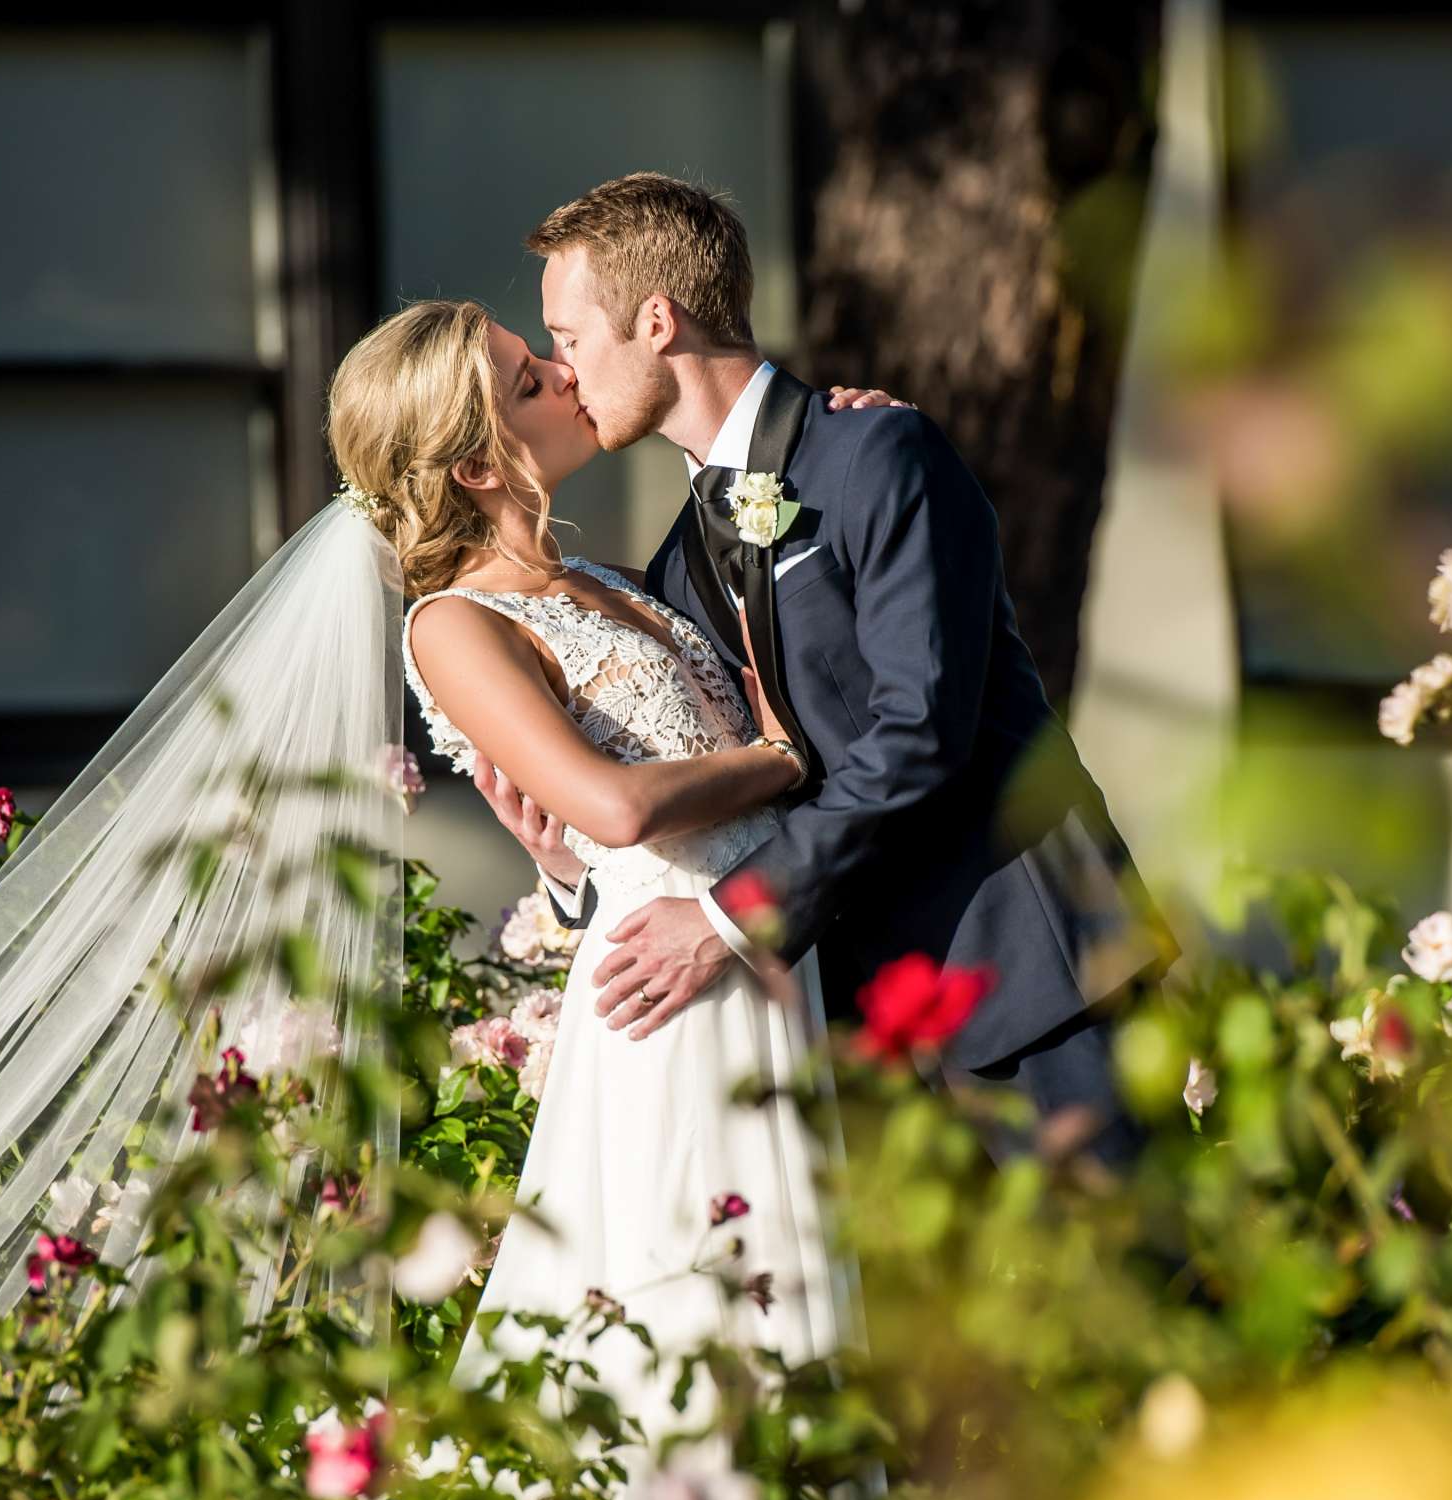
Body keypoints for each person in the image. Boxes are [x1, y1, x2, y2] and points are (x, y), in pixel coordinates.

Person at [481, 173, 1177, 1160]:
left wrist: (728, 922)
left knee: (1146, 1296)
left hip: (1028, 966)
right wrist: (567, 869)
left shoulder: (878, 453)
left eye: (569, 338)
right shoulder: (679, 562)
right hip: (857, 1028)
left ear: (655, 321)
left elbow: (919, 733)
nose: (563, 371)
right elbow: (739, 784)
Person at [338, 297, 898, 1500]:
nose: (561, 370)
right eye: (527, 373)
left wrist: (844, 436)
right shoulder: (454, 624)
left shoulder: (608, 578)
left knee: (794, 1285)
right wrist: (784, 757)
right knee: (698, 1286)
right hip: (675, 986)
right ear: (480, 460)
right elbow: (616, 804)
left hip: (755, 948)